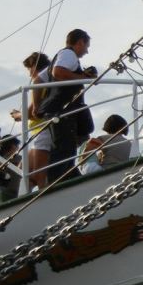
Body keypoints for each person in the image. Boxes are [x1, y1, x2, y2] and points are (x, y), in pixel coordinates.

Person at [43, 28, 97, 181]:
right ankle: (56, 184)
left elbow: (41, 78)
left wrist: (82, 76)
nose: (86, 51)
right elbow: (58, 73)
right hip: (62, 110)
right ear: (80, 42)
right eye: (87, 46)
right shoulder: (68, 54)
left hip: (59, 109)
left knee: (68, 150)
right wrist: (81, 77)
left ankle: (70, 178)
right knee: (64, 149)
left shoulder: (62, 55)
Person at [9, 52, 53, 190]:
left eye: (29, 69)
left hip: (43, 132)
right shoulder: (48, 82)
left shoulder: (42, 83)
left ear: (34, 66)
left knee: (40, 177)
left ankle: (42, 202)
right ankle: (23, 202)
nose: (29, 74)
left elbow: (34, 112)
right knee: (23, 171)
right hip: (36, 133)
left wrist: (18, 115)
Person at [0, 134, 22, 201]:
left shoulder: (1, 159)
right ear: (13, 146)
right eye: (17, 145)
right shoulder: (18, 159)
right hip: (11, 193)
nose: (18, 148)